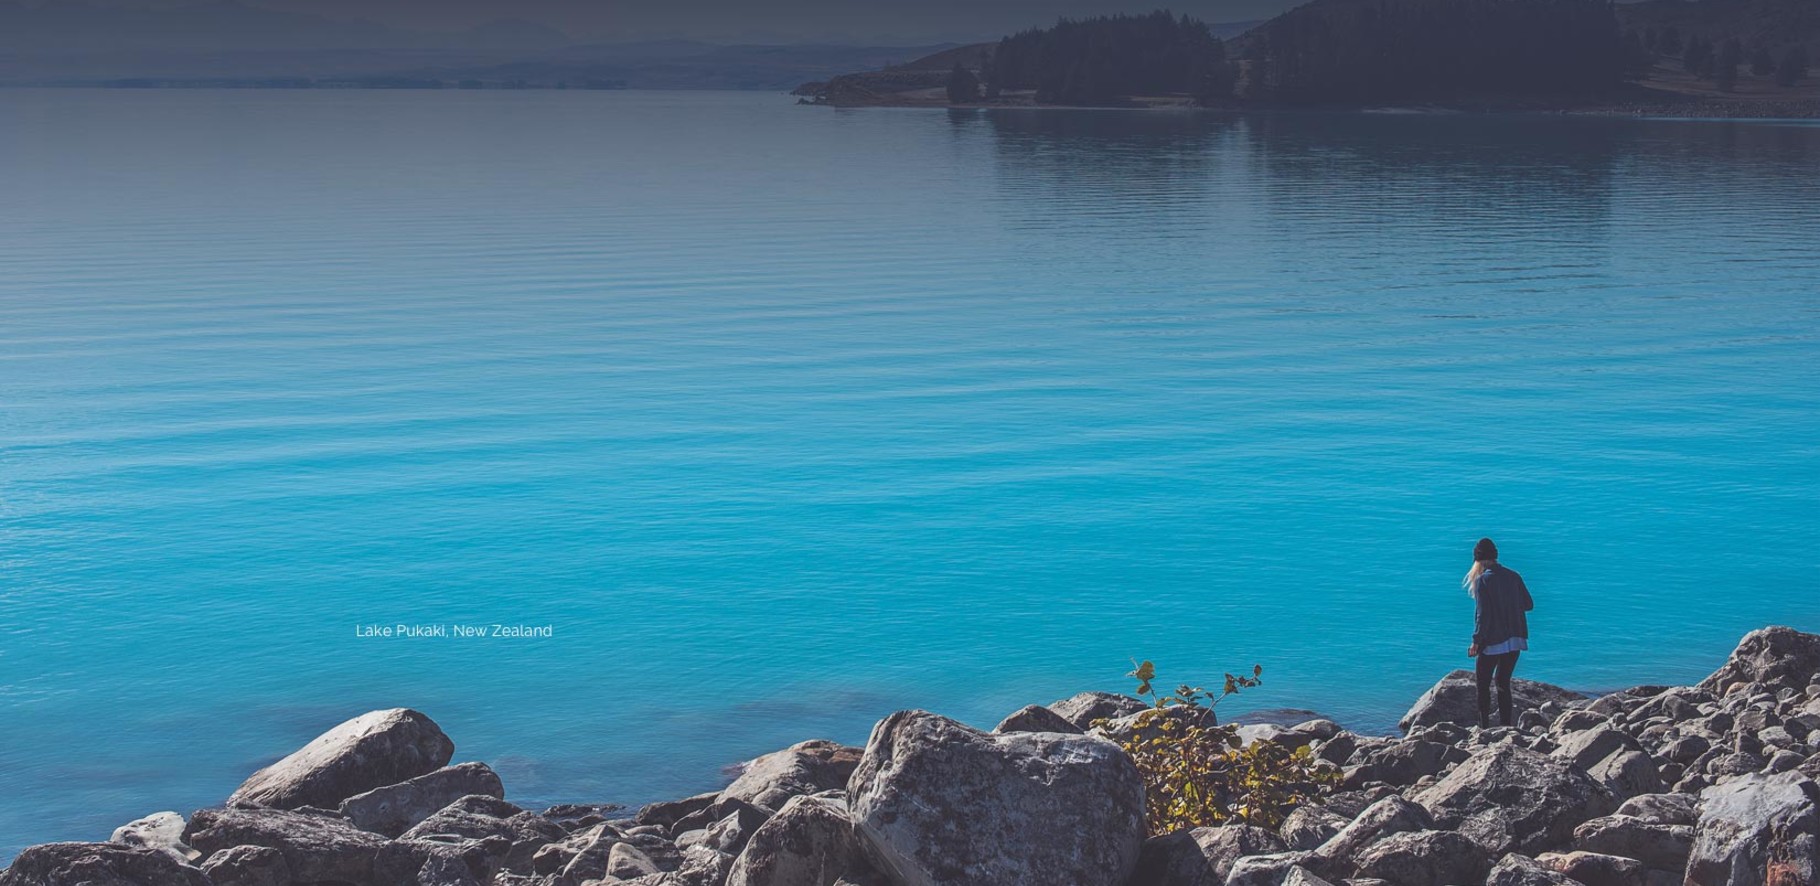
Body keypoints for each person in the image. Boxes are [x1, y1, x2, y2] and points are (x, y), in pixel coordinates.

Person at [1464, 537, 1533, 728]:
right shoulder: (1514, 576)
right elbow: (1529, 604)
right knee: (1503, 683)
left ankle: (1484, 727)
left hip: (1494, 641)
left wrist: (1476, 641)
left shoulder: (1482, 581)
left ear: (1479, 560)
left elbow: (1483, 616)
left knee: (1483, 685)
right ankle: (1506, 727)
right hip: (1516, 639)